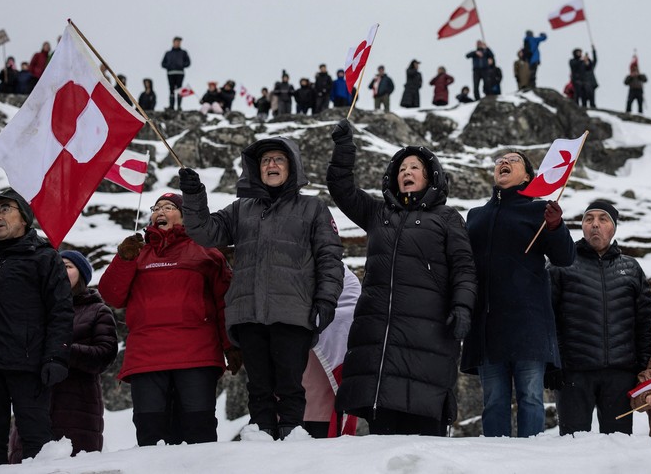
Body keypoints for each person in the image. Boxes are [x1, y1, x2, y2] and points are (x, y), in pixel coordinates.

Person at [177, 137, 344, 440]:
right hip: (249, 312)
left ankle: (292, 433)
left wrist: (326, 300)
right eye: (266, 160)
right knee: (258, 385)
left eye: (279, 159)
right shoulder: (242, 209)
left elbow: (330, 258)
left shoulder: (313, 208)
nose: (271, 165)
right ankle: (262, 434)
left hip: (293, 312)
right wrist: (193, 196)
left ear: (292, 166)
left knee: (290, 382)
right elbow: (206, 232)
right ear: (257, 168)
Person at [328, 119, 477, 436]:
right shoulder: (378, 213)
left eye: (414, 167)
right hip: (380, 339)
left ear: (429, 176)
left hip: (429, 335)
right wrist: (344, 149)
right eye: (401, 169)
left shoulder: (446, 218)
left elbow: (464, 266)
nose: (407, 173)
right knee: (383, 441)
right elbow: (341, 189)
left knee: (424, 436)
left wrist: (463, 307)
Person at [98, 192, 238, 446]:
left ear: (184, 217)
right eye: (157, 207)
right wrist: (124, 259)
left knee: (199, 432)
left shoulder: (206, 252)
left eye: (169, 207)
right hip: (147, 356)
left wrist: (231, 346)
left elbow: (224, 304)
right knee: (151, 434)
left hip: (196, 353)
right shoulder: (136, 252)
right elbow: (112, 296)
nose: (160, 211)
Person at [461, 151, 575, 438]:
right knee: (494, 401)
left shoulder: (540, 212)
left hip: (529, 323)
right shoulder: (476, 216)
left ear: (527, 176)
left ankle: (532, 460)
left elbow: (565, 257)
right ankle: (495, 463)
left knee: (531, 398)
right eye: (500, 159)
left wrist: (556, 227)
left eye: (513, 160)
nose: (504, 162)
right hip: (488, 323)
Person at [0, 188, 73, 464]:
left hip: (28, 365)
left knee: (37, 443)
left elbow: (60, 311)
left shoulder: (44, 258)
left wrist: (56, 356)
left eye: (4, 209)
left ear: (24, 217)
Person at [548, 201, 651, 435]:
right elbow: (548, 317)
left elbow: (646, 321)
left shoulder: (631, 268)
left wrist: (642, 364)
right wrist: (553, 362)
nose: (595, 224)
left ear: (614, 227)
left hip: (620, 374)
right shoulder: (562, 263)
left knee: (618, 446)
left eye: (603, 219)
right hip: (573, 373)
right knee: (573, 444)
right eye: (589, 219)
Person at [9, 250, 118, 462]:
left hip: (77, 406)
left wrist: (63, 351)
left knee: (73, 464)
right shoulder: (34, 311)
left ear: (82, 276)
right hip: (34, 404)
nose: (60, 270)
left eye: (67, 266)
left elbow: (105, 354)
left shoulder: (97, 310)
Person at [302, 265, 361, 438]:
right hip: (293, 397)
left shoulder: (343, 275)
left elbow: (351, 312)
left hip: (323, 398)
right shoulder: (343, 274)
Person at [161, 37, 191, 111]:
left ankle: (179, 106)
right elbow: (163, 63)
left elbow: (188, 62)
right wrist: (169, 66)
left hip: (180, 73)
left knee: (179, 89)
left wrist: (182, 65)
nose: (178, 43)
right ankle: (171, 106)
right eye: (177, 42)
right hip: (170, 73)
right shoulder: (168, 53)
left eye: (179, 42)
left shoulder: (183, 52)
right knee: (171, 89)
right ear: (173, 42)